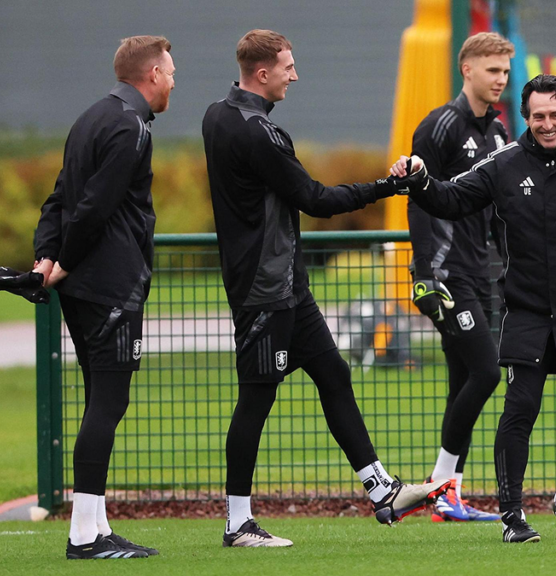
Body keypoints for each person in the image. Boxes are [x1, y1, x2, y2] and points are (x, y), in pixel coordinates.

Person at [201, 29, 448, 548]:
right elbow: (316, 199)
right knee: (255, 401)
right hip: (266, 290)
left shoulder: (216, 114)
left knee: (334, 374)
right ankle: (238, 523)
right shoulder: (257, 133)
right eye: (288, 66)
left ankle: (380, 490)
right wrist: (391, 185)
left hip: (285, 285)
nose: (296, 74)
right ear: (262, 72)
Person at [391, 74, 556, 542]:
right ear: (526, 119)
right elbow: (452, 199)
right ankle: (512, 518)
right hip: (527, 310)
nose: (547, 125)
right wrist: (420, 180)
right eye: (537, 116)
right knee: (519, 411)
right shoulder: (504, 163)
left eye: (555, 115)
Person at [33, 35, 175, 560]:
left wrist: (45, 258)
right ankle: (83, 537)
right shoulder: (131, 125)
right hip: (109, 285)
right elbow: (91, 206)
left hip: (84, 286)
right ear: (152, 74)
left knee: (101, 400)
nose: (173, 82)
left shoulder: (91, 117)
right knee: (109, 403)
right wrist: (64, 258)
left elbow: (58, 197)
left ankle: (97, 525)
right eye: (171, 72)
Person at [407, 31, 513, 523]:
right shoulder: (440, 126)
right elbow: (419, 200)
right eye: (493, 70)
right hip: (447, 275)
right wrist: (424, 275)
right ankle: (439, 489)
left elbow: (500, 211)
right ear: (466, 68)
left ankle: (448, 496)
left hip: (479, 273)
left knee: (461, 382)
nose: (501, 80)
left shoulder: (498, 133)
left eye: (506, 72)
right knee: (487, 372)